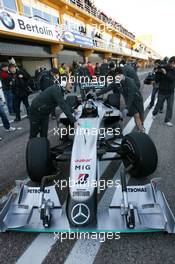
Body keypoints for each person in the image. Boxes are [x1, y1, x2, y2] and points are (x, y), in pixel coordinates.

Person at [97, 66, 145, 132]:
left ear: (122, 74)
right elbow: (108, 88)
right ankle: (141, 130)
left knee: (141, 115)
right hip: (128, 100)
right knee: (136, 115)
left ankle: (141, 125)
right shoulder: (117, 82)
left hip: (137, 100)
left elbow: (131, 96)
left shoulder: (130, 81)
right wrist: (96, 94)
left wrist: (127, 108)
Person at [152, 56, 175, 127]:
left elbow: (172, 78)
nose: (173, 65)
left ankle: (167, 120)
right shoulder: (164, 68)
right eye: (172, 63)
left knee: (170, 107)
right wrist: (157, 72)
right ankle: (154, 113)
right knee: (159, 104)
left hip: (171, 92)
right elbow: (157, 79)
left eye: (174, 64)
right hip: (162, 91)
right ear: (170, 62)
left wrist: (165, 73)